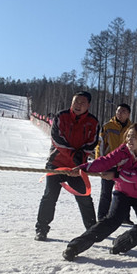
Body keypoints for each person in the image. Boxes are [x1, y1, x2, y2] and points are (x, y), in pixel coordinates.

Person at [62, 124, 137, 261]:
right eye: (128, 136)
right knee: (111, 221)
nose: (129, 140)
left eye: (133, 137)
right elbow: (106, 161)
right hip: (123, 190)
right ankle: (75, 247)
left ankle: (121, 244)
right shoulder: (124, 149)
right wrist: (83, 169)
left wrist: (116, 173)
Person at [35, 91, 99, 241]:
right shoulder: (61, 116)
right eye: (76, 101)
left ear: (88, 105)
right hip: (57, 163)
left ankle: (93, 231)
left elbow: (92, 143)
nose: (78, 105)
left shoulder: (93, 122)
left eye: (82, 103)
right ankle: (41, 228)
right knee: (50, 196)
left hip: (77, 168)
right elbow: (57, 140)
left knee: (84, 197)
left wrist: (80, 158)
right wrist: (73, 155)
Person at [95, 103, 132, 222]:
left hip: (125, 165)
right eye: (118, 111)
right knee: (106, 192)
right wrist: (99, 162)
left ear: (128, 114)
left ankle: (124, 217)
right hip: (109, 164)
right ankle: (102, 217)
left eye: (123, 111)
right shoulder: (108, 126)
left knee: (125, 193)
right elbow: (100, 145)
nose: (120, 113)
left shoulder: (132, 128)